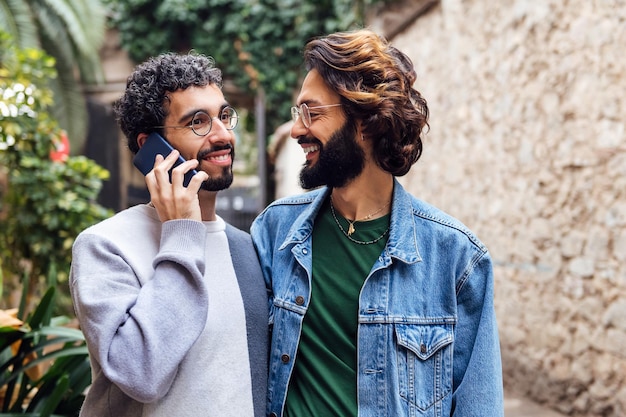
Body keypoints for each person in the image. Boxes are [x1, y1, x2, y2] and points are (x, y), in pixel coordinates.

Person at [251, 29, 504, 417]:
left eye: (312, 112)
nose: (298, 130)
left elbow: (478, 407)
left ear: (366, 121)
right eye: (296, 113)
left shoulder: (456, 258)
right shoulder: (274, 232)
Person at [69, 53, 268, 417]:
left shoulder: (247, 248)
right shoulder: (105, 247)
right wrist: (182, 233)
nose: (223, 135)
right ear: (151, 148)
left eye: (224, 116)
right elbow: (140, 374)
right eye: (198, 122)